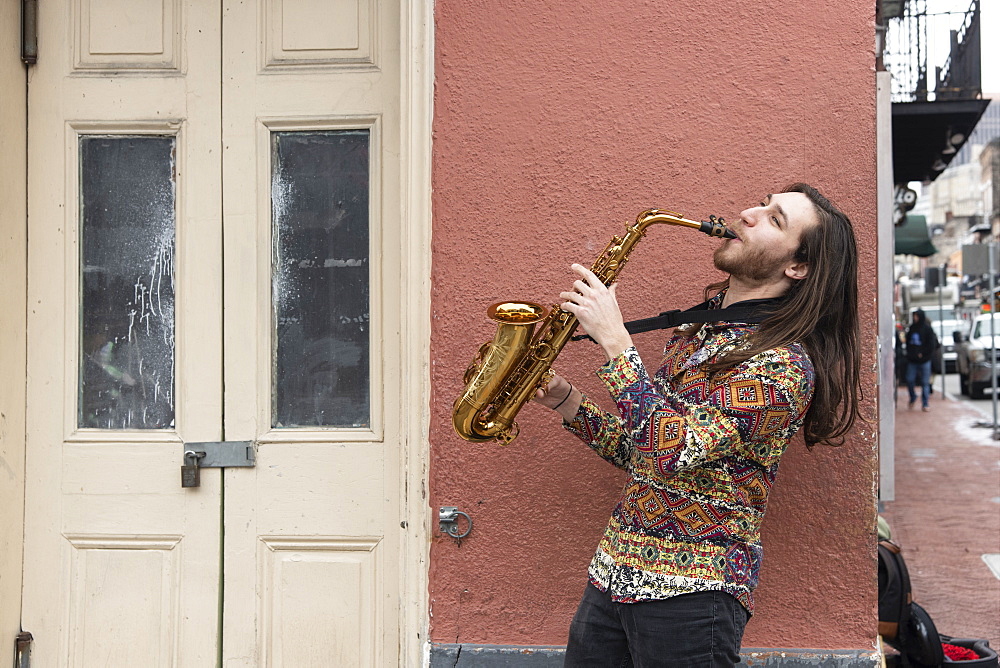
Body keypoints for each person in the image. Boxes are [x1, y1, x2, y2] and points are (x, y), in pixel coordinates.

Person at [533, 183, 861, 667]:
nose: (748, 213)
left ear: (798, 266)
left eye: (775, 219)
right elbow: (644, 453)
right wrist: (567, 400)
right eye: (761, 204)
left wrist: (617, 342)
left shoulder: (783, 367)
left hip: (692, 595)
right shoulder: (702, 330)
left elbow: (672, 448)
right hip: (612, 576)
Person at [904, 309, 938, 411]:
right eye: (914, 316)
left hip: (925, 360)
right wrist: (911, 354)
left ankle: (925, 403)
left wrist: (923, 354)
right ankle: (913, 396)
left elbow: (931, 345)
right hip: (913, 360)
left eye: (917, 316)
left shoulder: (927, 329)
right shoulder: (912, 328)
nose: (915, 318)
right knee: (909, 379)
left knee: (925, 383)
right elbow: (908, 343)